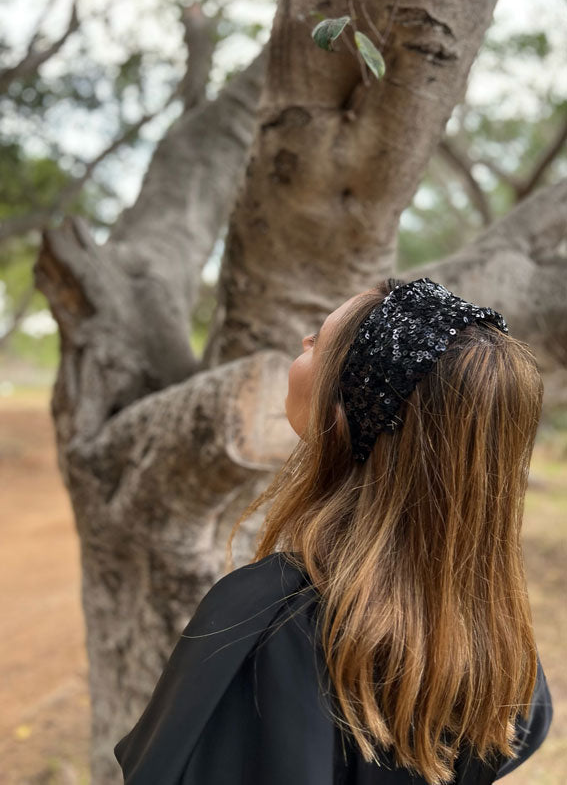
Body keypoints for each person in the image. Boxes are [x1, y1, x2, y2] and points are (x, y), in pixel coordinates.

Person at [114, 277, 553, 784]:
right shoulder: (498, 636)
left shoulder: (263, 623)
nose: (303, 344)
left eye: (318, 342)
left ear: (344, 414)